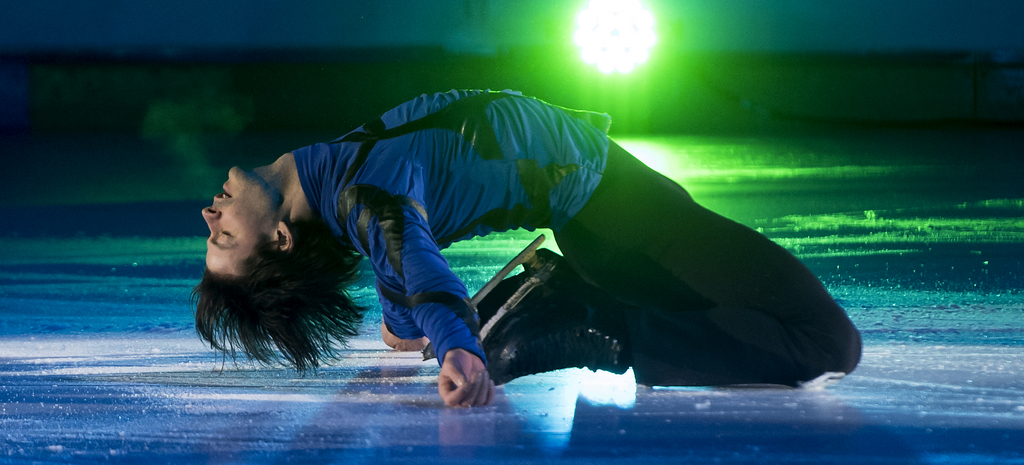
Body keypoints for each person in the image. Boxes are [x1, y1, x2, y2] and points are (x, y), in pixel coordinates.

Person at [193, 89, 861, 408]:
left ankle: (584, 307)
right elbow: (409, 251)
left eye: (212, 229)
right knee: (827, 342)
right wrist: (456, 344)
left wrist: (402, 320)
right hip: (618, 218)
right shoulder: (359, 196)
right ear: (279, 237)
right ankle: (597, 326)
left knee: (790, 328)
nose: (209, 213)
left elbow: (394, 251)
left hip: (608, 218)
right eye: (223, 237)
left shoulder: (331, 179)